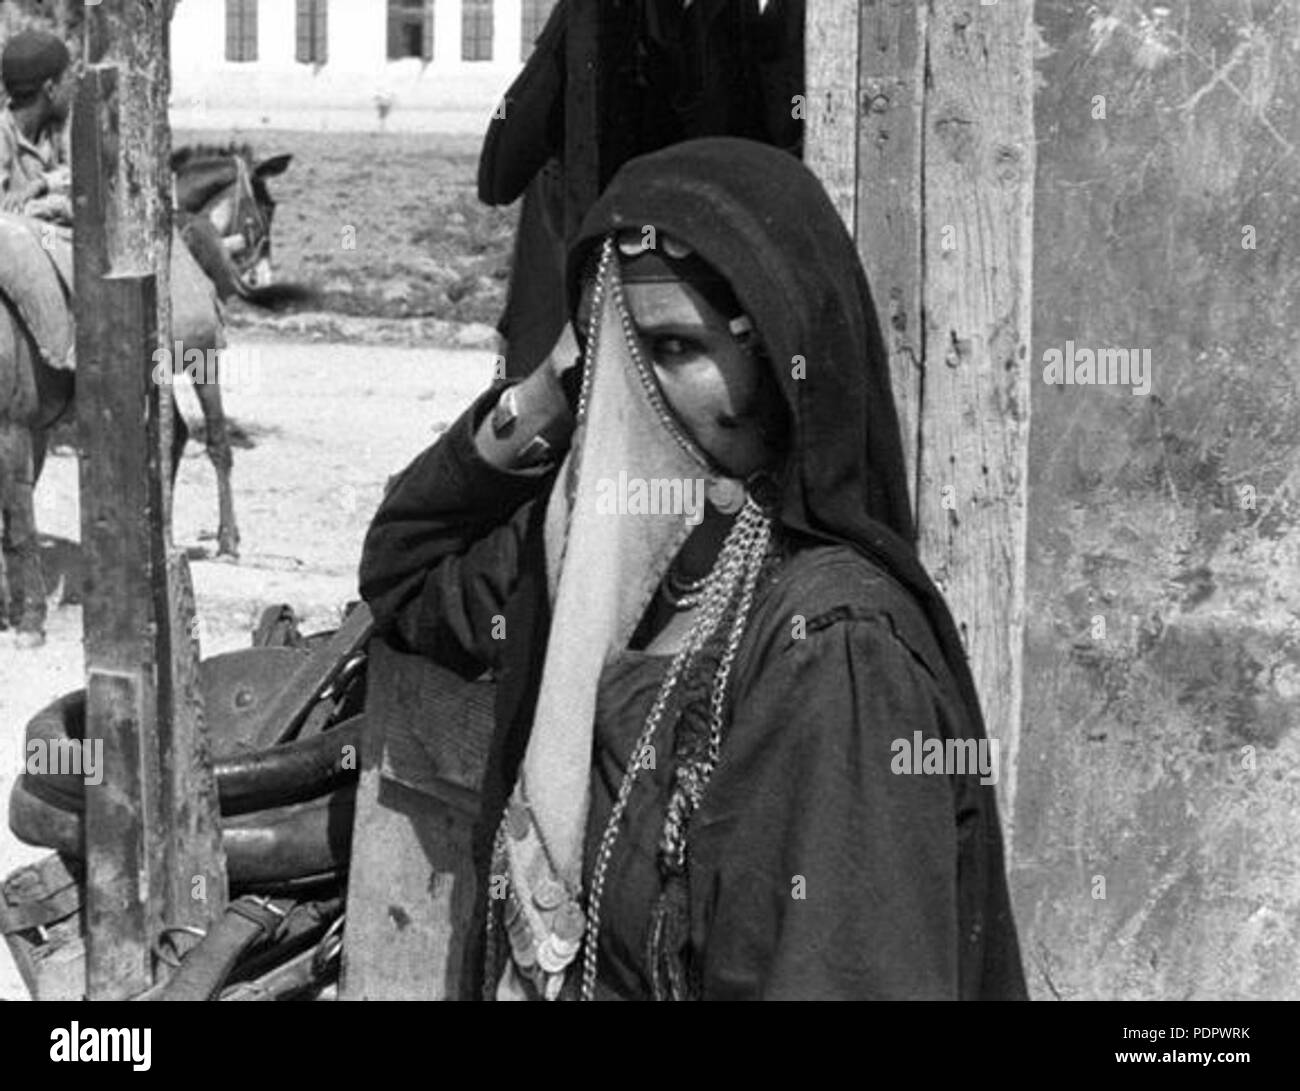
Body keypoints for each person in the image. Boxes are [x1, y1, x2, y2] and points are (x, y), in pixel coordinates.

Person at [359, 137, 1027, 1000]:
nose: (712, 386)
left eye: (689, 346)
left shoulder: (834, 648)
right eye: (634, 355)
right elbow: (408, 574)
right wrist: (547, 393)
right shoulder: (601, 563)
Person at [0, 27, 73, 223]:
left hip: (50, 245)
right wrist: (58, 205)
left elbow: (82, 183)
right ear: (50, 89)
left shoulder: (58, 127)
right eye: (68, 79)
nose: (73, 87)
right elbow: (5, 214)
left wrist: (42, 184)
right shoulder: (3, 136)